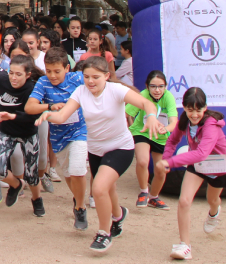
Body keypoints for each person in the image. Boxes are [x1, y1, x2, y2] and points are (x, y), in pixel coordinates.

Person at [37, 56, 167, 253]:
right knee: (108, 189)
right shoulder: (80, 92)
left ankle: (103, 234)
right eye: (87, 77)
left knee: (98, 189)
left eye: (96, 77)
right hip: (96, 150)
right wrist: (47, 115)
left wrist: (150, 118)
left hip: (120, 148)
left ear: (106, 76)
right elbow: (63, 116)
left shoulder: (117, 90)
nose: (90, 81)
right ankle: (118, 215)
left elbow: (148, 104)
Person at [160, 87, 226, 260]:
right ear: (184, 107)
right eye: (190, 110)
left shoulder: (211, 125)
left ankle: (214, 212)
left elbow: (202, 153)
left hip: (217, 165)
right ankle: (185, 245)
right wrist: (166, 157)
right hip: (197, 164)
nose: (194, 114)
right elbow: (172, 140)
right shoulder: (184, 121)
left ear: (205, 107)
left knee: (212, 200)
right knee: (184, 201)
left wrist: (169, 162)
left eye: (198, 110)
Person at [26, 47, 89, 230]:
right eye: (48, 70)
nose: (52, 75)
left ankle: (80, 207)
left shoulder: (77, 79)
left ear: (67, 68)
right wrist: (50, 106)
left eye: (57, 71)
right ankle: (78, 200)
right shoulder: (43, 83)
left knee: (78, 170)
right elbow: (30, 107)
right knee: (69, 176)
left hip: (79, 132)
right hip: (58, 138)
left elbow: (97, 82)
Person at [0, 54, 45, 215]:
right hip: (7, 131)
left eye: (18, 74)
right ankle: (16, 184)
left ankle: (36, 199)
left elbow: (34, 116)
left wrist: (14, 116)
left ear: (28, 75)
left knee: (32, 173)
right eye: (11, 72)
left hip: (28, 132)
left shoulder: (33, 89)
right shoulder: (3, 77)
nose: (13, 77)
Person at [128, 70, 177, 209]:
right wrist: (128, 129)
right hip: (142, 132)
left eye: (161, 86)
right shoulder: (142, 95)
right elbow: (126, 113)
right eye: (153, 86)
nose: (157, 90)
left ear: (165, 86)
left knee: (161, 169)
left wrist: (166, 129)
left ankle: (154, 197)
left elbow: (174, 122)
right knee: (143, 161)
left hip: (161, 136)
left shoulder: (169, 97)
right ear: (147, 86)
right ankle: (143, 192)